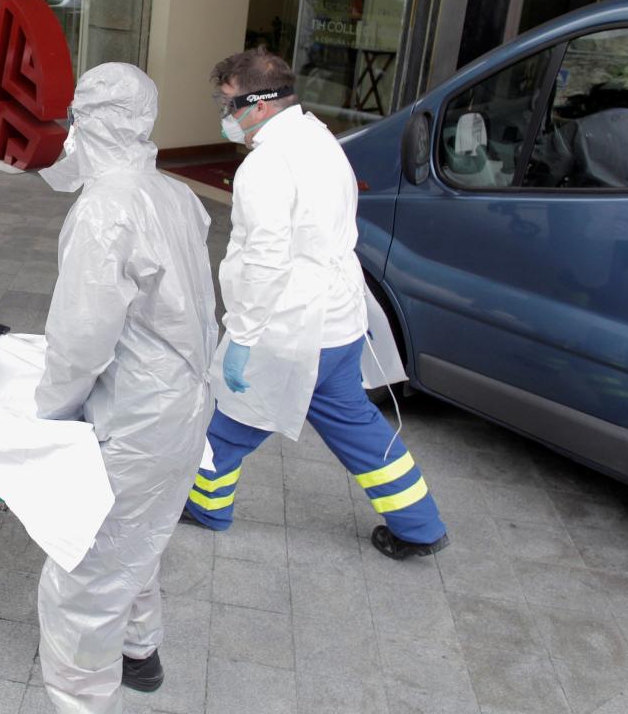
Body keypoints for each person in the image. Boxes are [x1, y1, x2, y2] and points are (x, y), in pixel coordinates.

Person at [182, 47, 449, 561]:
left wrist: (242, 336)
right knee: (356, 423)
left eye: (228, 103)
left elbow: (264, 260)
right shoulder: (319, 137)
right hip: (339, 320)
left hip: (287, 327)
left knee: (226, 425)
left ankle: (207, 508)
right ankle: (419, 525)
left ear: (259, 105)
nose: (224, 115)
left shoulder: (265, 166)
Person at [33, 63, 217, 713]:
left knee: (85, 572)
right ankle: (141, 653)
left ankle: (85, 700)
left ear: (84, 123)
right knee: (139, 536)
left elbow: (82, 339)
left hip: (137, 413)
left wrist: (45, 417)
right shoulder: (175, 194)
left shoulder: (105, 213)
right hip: (183, 401)